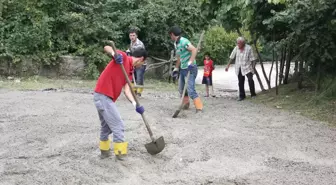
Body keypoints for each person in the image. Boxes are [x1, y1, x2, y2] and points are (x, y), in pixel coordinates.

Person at [93, 42, 147, 159]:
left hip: (102, 97)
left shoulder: (130, 72)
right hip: (103, 96)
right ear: (141, 59)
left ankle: (104, 152)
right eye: (143, 63)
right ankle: (120, 153)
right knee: (118, 125)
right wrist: (114, 54)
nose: (142, 66)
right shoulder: (122, 57)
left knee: (106, 127)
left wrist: (135, 104)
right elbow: (106, 47)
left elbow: (127, 91)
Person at [169, 26, 203, 112]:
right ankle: (186, 104)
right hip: (183, 69)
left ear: (172, 34)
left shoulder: (184, 41)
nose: (170, 37)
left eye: (170, 35)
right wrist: (176, 68)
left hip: (191, 68)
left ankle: (199, 108)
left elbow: (194, 50)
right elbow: (179, 56)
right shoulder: (176, 44)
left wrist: (190, 62)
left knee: (190, 89)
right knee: (181, 88)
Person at [225, 37, 257, 101]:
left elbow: (253, 59)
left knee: (250, 80)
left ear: (243, 43)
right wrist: (227, 66)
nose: (238, 45)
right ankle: (242, 96)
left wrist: (253, 68)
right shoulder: (236, 48)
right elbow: (231, 57)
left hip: (248, 66)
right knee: (240, 82)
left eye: (239, 43)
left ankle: (253, 94)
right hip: (239, 67)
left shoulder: (249, 48)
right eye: (237, 43)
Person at [127, 29, 146, 97]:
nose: (132, 37)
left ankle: (139, 93)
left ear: (136, 36)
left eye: (133, 35)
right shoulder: (131, 42)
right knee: (133, 77)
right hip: (134, 62)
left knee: (139, 78)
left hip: (140, 63)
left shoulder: (139, 44)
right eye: (130, 35)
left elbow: (138, 55)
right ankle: (134, 91)